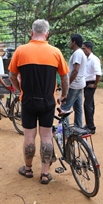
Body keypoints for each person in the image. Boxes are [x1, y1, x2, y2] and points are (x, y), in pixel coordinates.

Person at [8, 19, 69, 184]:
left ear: (31, 32)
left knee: (29, 136)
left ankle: (27, 169)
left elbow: (12, 76)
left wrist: (20, 90)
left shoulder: (21, 51)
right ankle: (44, 173)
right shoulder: (55, 52)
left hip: (28, 100)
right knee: (46, 136)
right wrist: (64, 95)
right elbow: (64, 77)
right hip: (48, 101)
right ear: (47, 33)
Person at [60, 33, 87, 128]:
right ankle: (78, 128)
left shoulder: (77, 54)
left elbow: (75, 71)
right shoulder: (80, 53)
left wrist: (67, 85)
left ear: (74, 42)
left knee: (64, 108)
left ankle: (66, 133)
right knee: (78, 108)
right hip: (79, 84)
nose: (69, 43)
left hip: (74, 85)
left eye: (70, 41)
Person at [82, 41, 102, 134]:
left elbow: (98, 74)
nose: (83, 50)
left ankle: (91, 127)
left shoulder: (94, 59)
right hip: (87, 83)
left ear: (89, 49)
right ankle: (89, 124)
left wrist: (95, 85)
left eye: (84, 48)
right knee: (90, 104)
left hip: (91, 83)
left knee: (87, 104)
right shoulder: (86, 58)